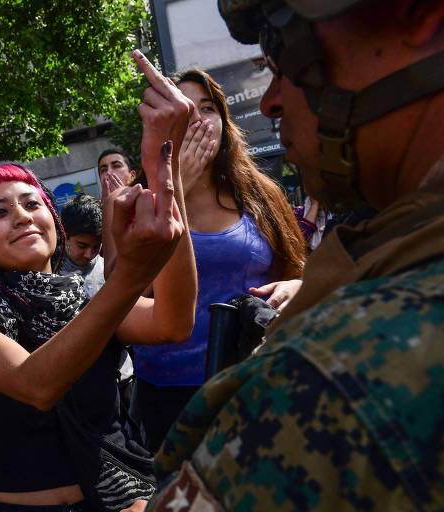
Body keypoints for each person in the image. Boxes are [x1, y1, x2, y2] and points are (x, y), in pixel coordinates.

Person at [146, 0, 444, 510]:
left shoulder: (325, 376)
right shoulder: (390, 250)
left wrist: (299, 292)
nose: (271, 101)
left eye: (286, 56)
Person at [0, 49, 198, 511]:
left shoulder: (84, 299)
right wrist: (130, 278)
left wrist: (164, 169)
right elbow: (37, 385)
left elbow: (173, 323)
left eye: (32, 204)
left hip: (123, 499)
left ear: (54, 222)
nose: (21, 216)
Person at [125, 67, 306, 452]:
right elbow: (124, 297)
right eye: (184, 109)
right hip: (169, 395)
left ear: (225, 120)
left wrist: (295, 287)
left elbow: (297, 271)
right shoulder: (135, 200)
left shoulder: (261, 194)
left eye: (207, 108)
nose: (197, 120)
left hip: (254, 377)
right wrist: (175, 190)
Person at [59, 194, 105, 298]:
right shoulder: (51, 271)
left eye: (96, 247)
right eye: (82, 246)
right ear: (65, 236)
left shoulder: (107, 268)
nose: (89, 255)